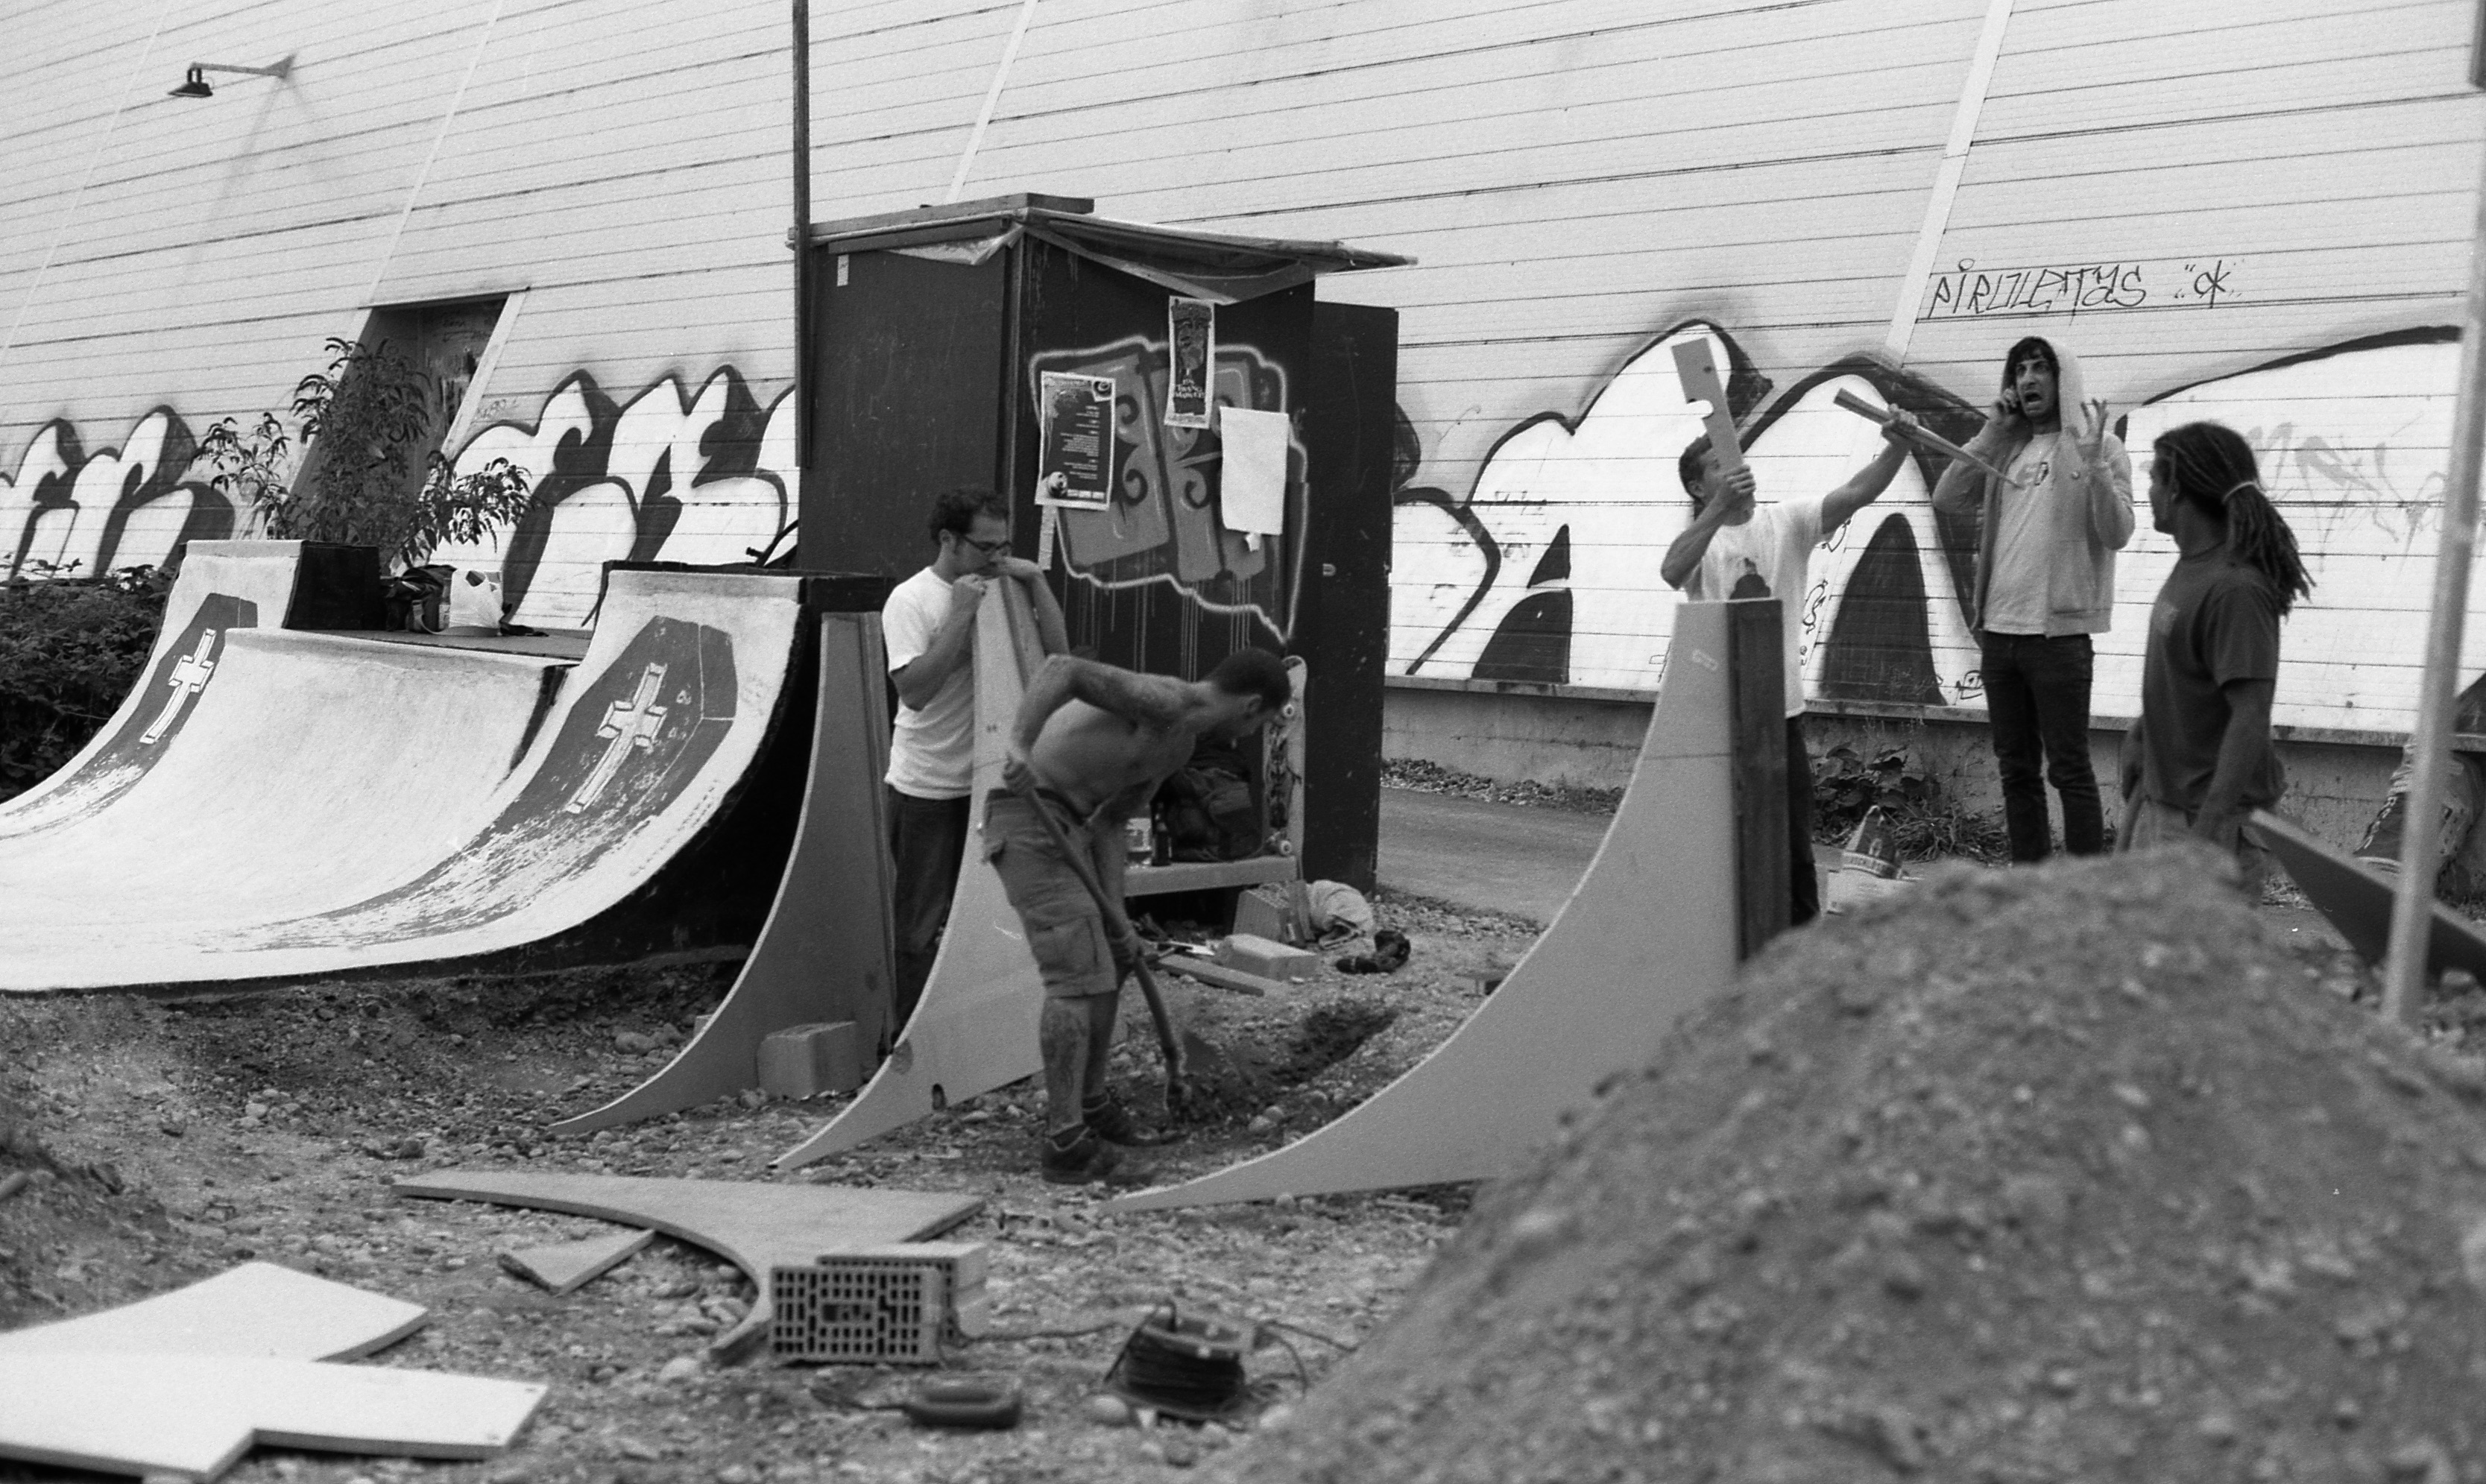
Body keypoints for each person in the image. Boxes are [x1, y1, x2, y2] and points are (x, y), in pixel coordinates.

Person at [988, 648, 1292, 1183]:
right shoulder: (1165, 702)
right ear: (1250, 706)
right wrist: (1017, 744)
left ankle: (1092, 1105)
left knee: (1110, 959)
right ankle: (1065, 1142)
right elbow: (1062, 668)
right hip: (1029, 816)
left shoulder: (1180, 745)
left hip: (1076, 829)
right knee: (1075, 979)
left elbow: (1111, 823)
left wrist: (1119, 919)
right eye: (1263, 722)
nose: (1252, 736)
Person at [1662, 407, 1919, 926]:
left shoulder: (1786, 521)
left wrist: (1897, 446)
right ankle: (1721, 939)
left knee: (1793, 842)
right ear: (1697, 485)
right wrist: (1718, 509)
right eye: (1717, 465)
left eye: (1736, 458)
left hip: (1781, 716)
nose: (1735, 469)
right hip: (1717, 719)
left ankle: (1797, 949)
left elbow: (1855, 493)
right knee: (1722, 841)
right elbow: (1671, 571)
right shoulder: (1704, 542)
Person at [1931, 337, 2134, 862]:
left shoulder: (2099, 446)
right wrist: (1991, 431)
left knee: (2067, 768)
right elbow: (1947, 499)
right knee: (2015, 769)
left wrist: (2095, 468)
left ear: (2062, 377)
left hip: (2058, 638)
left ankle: (2083, 892)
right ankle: (2030, 885)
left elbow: (2117, 533)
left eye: (2039, 368)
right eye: (2019, 369)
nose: (2027, 380)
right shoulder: (2008, 445)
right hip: (1999, 636)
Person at [881, 487, 1067, 1034]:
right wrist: (961, 615)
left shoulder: (1005, 588)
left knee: (993, 918)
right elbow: (914, 690)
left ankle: (979, 1033)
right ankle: (908, 1041)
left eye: (1003, 545)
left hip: (989, 784)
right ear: (948, 540)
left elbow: (1057, 661)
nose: (995, 556)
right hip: (928, 786)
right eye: (984, 546)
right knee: (918, 926)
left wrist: (1035, 581)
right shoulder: (911, 600)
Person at [2117, 421, 2313, 887]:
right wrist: (2141, 734)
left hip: (2210, 823)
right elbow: (2185, 677)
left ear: (2178, 488)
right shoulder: (2193, 565)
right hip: (2166, 805)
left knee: (2199, 960)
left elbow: (2250, 715)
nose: (2148, 491)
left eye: (2154, 478)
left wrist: (2208, 833)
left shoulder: (2236, 589)